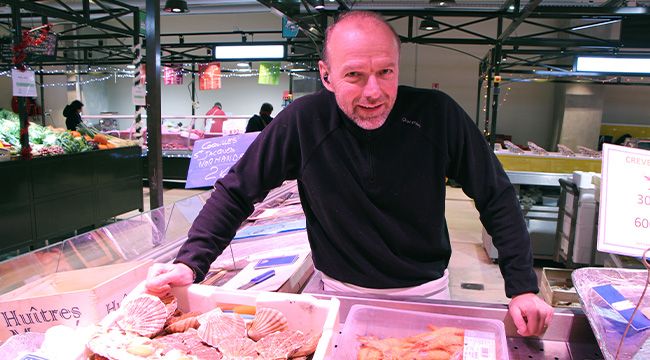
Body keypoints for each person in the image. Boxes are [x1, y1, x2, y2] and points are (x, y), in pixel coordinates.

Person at [146, 11, 553, 337]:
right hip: (339, 295)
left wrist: (521, 287)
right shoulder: (303, 121)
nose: (373, 92)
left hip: (427, 294)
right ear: (326, 75)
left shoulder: (438, 115)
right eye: (354, 75)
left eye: (386, 73)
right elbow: (236, 192)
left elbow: (496, 196)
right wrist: (191, 263)